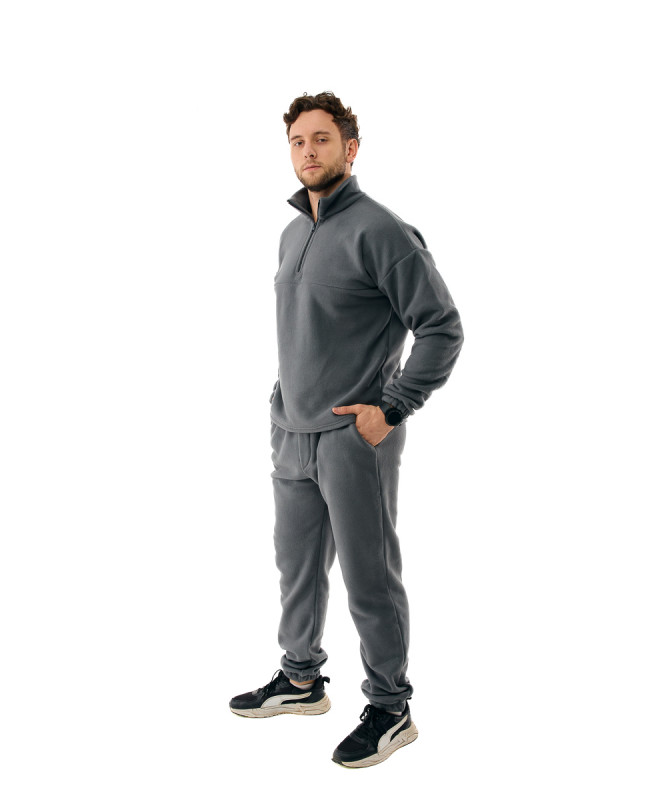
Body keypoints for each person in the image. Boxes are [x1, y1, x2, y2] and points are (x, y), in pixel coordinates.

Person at [229, 91, 464, 769]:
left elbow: (442, 327)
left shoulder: (382, 230)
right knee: (297, 568)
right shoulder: (292, 231)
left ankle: (390, 708)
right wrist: (282, 400)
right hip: (291, 430)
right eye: (298, 141)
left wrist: (390, 408)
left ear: (350, 149)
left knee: (370, 576)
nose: (308, 151)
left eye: (322, 139)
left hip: (354, 438)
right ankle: (301, 679)